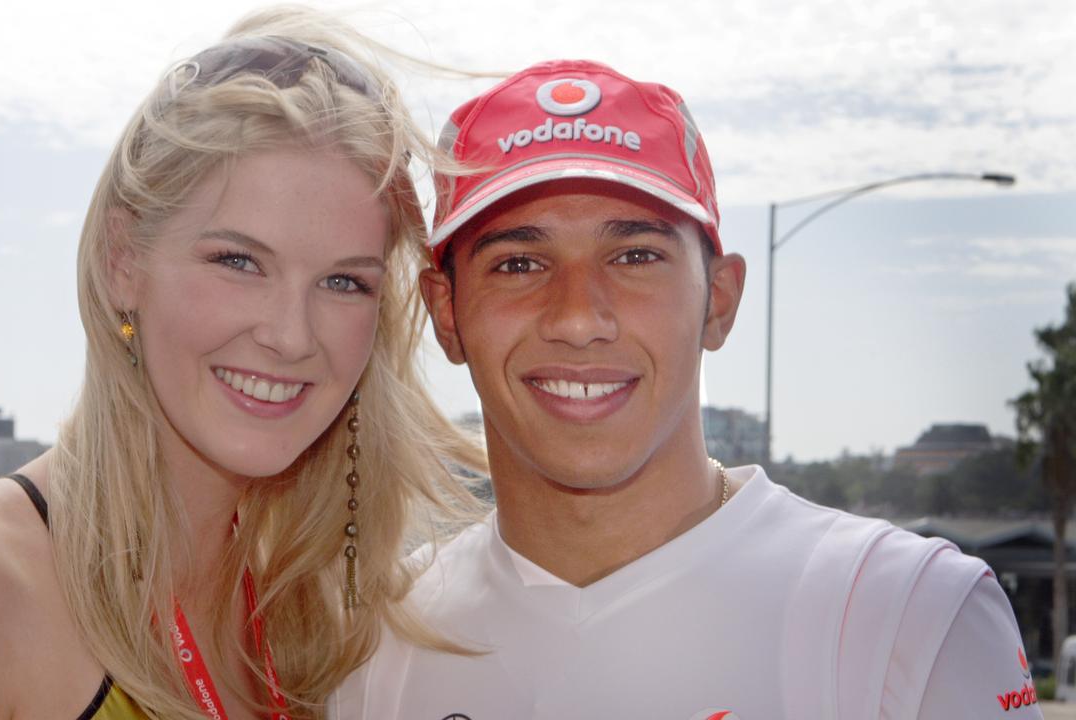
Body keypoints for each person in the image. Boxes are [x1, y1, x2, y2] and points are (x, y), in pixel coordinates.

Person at [0, 8, 484, 720]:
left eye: (345, 282)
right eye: (238, 261)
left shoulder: (312, 625)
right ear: (124, 260)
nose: (290, 335)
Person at [333, 59, 1041, 719]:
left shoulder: (910, 615)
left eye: (636, 255)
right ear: (447, 314)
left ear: (720, 301)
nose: (579, 317)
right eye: (519, 263)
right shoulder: (369, 643)